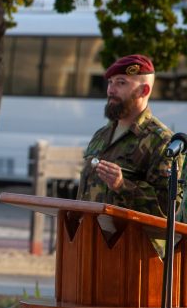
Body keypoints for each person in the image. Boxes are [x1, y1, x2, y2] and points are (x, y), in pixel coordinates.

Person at [77, 54, 182, 218]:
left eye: (121, 83)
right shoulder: (101, 135)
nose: (111, 90)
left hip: (131, 242)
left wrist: (122, 185)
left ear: (143, 90)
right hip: (90, 238)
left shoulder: (161, 141)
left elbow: (168, 209)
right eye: (110, 82)